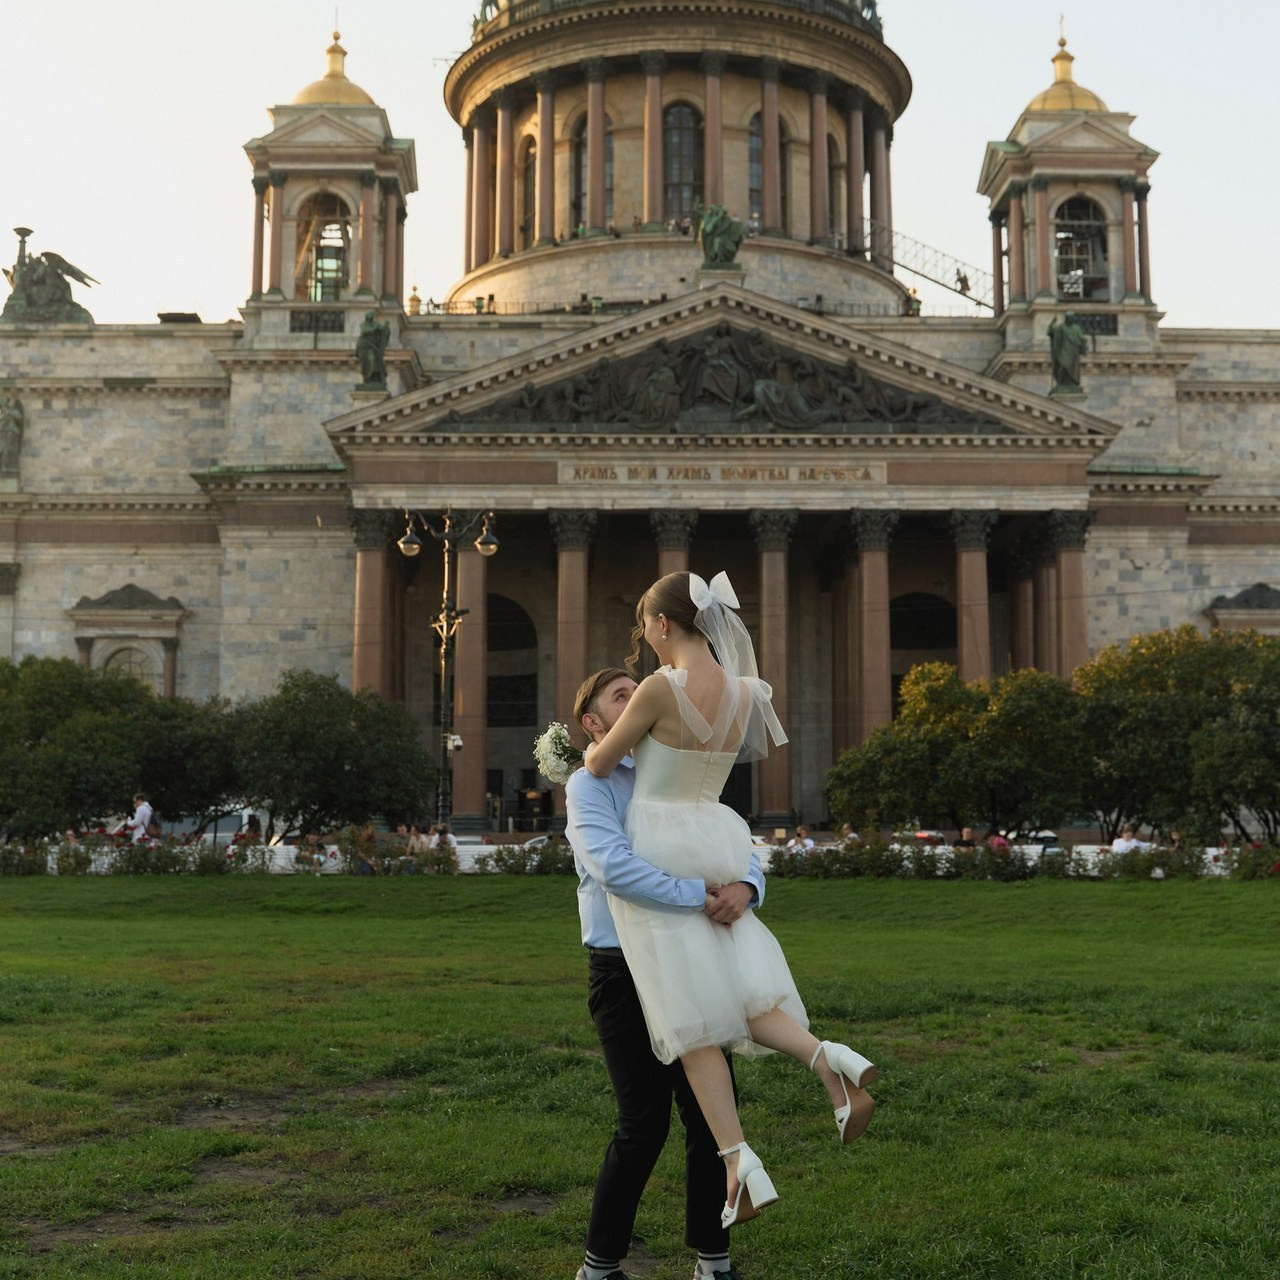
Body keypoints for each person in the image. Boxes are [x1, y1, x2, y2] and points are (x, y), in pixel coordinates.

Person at [584, 571, 876, 1233]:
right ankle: (826, 1059)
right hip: (719, 834)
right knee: (740, 995)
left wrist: (585, 745)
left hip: (662, 839)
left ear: (663, 625)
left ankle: (740, 1159)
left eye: (647, 632)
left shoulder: (660, 687)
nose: (648, 647)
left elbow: (602, 765)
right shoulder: (748, 692)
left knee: (689, 1018)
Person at [566, 666, 763, 1280]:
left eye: (641, 693)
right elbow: (611, 867)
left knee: (713, 1116)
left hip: (688, 958)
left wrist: (747, 886)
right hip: (624, 969)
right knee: (642, 1123)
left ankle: (714, 1259)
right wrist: (697, 895)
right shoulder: (589, 783)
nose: (641, 703)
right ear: (596, 724)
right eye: (623, 698)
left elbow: (735, 843)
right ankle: (600, 1267)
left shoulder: (674, 771)